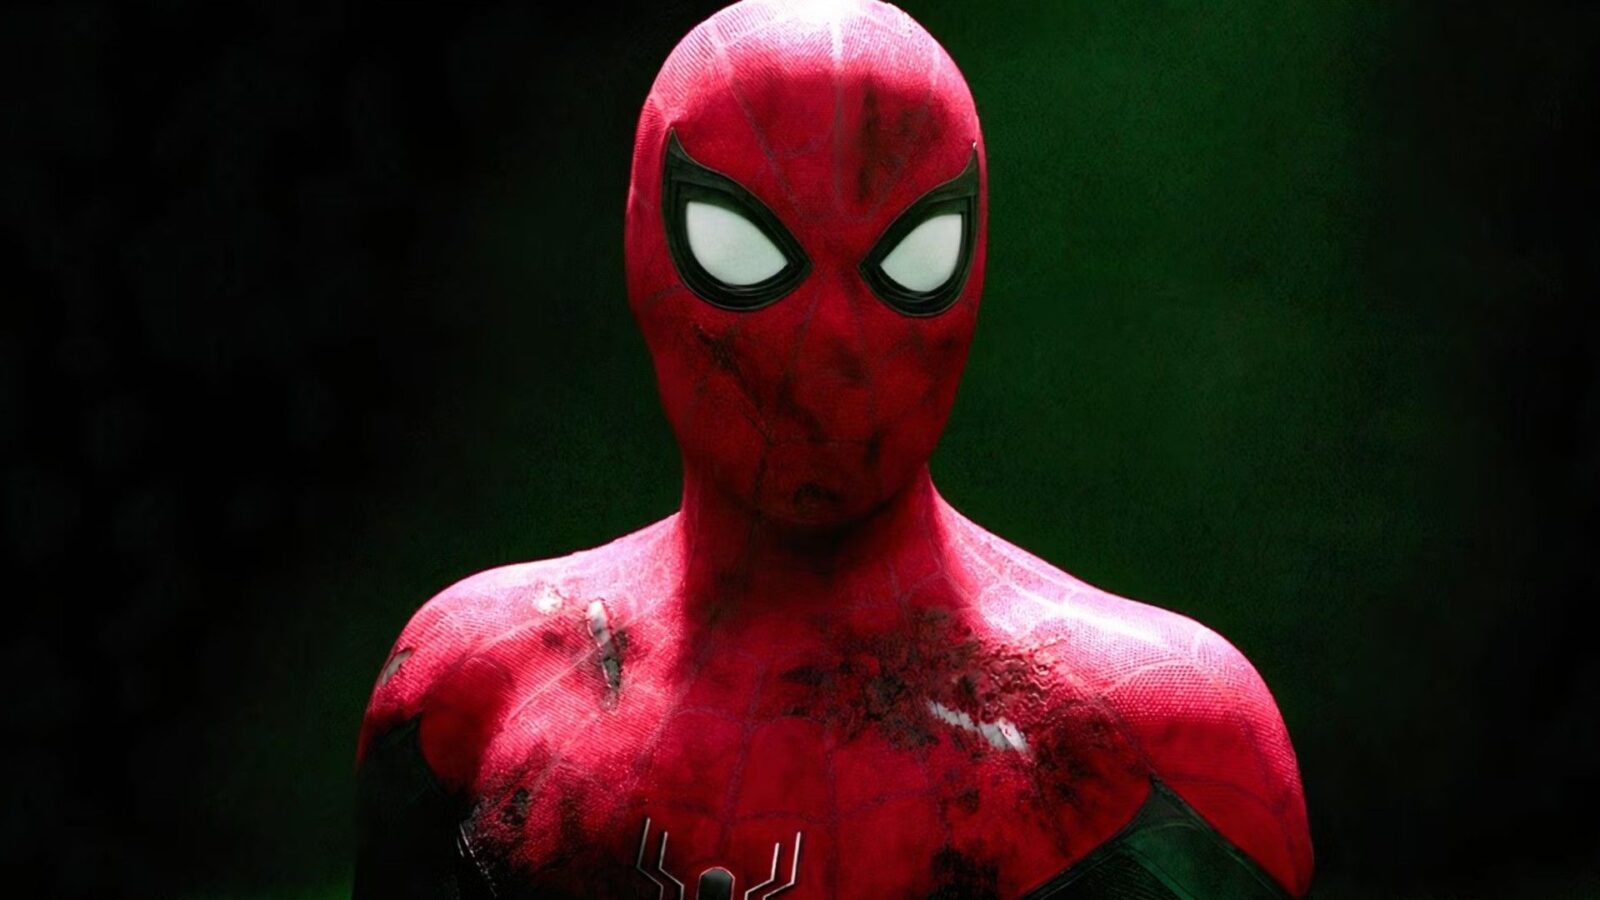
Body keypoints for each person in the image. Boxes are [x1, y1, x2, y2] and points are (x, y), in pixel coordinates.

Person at [354, 1, 1312, 896]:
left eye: (910, 257)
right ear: (642, 238)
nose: (834, 348)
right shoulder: (467, 694)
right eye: (740, 247)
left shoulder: (1168, 744)